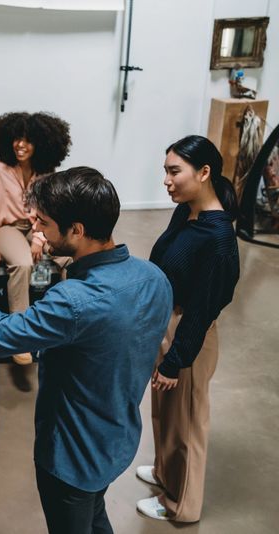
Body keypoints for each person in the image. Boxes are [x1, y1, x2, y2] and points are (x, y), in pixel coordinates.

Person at [0, 167, 172, 534]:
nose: (38, 231)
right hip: (117, 440)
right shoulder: (154, 278)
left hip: (72, 458)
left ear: (77, 230)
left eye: (44, 223)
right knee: (94, 513)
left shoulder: (75, 301)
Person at [135, 136, 240, 523]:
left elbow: (203, 310)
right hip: (168, 322)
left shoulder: (218, 239)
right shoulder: (187, 213)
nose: (166, 180)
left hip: (189, 333)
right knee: (166, 412)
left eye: (174, 171)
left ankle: (183, 506)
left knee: (189, 422)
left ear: (204, 172)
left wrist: (175, 360)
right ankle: (166, 474)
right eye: (166, 170)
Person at [0, 111, 71, 366]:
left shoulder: (47, 172)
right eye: (17, 138)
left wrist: (39, 239)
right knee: (23, 264)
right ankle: (19, 336)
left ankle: (70, 320)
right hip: (7, 228)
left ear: (41, 143)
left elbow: (49, 212)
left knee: (68, 257)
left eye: (28, 140)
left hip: (37, 226)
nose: (20, 145)